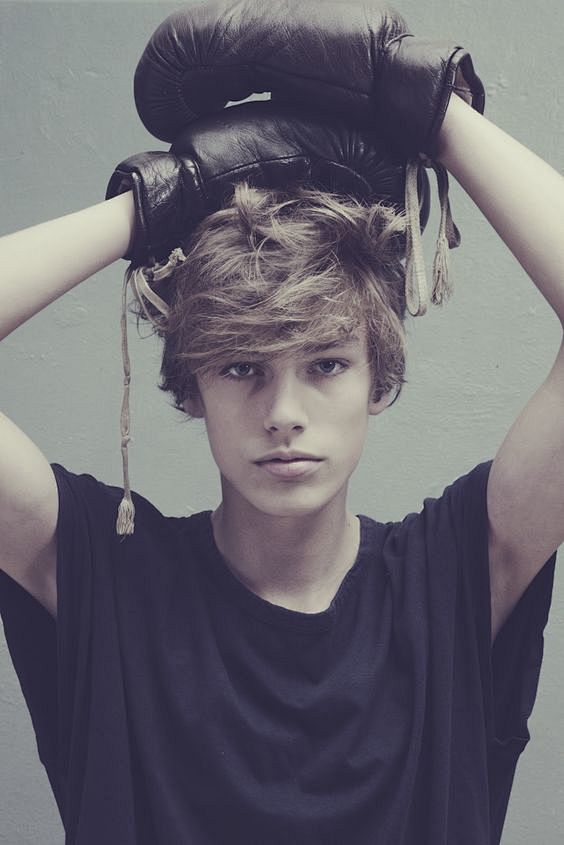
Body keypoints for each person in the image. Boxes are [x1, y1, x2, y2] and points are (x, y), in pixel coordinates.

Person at [1, 15, 563, 845]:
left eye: (326, 363)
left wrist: (433, 112)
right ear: (192, 385)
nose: (284, 411)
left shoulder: (456, 575)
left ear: (379, 377)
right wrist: (153, 205)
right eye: (241, 366)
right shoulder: (105, 577)